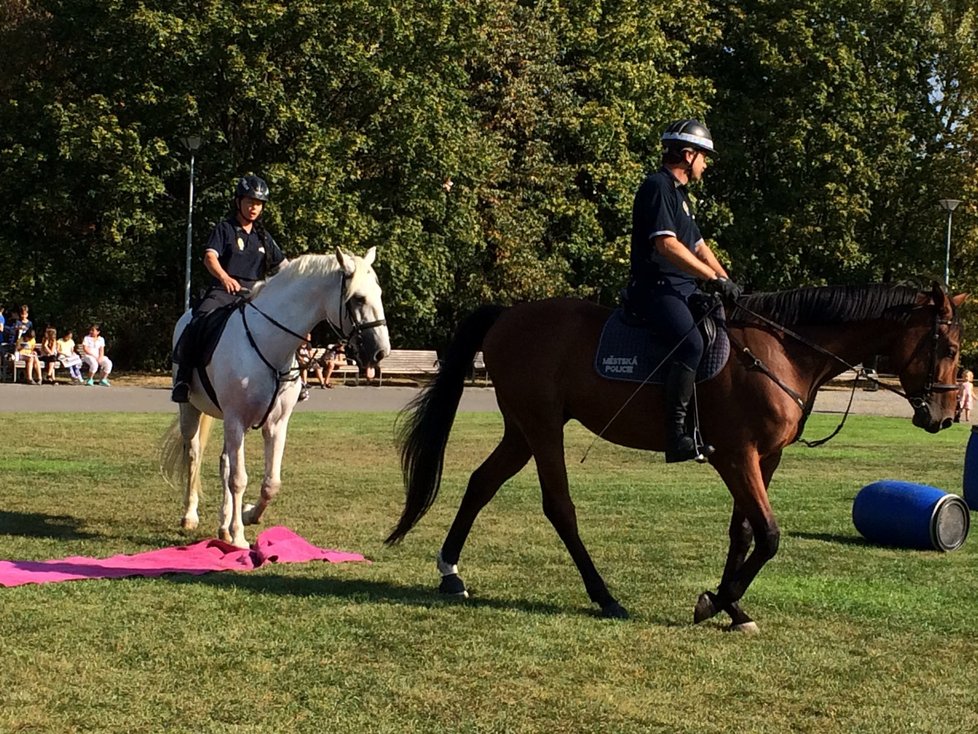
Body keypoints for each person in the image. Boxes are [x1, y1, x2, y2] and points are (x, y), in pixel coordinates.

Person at [626, 119, 741, 463]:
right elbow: (667, 245)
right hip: (654, 288)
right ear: (687, 155)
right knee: (689, 342)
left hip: (682, 287)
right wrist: (711, 278)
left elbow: (699, 246)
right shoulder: (657, 187)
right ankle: (675, 435)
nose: (706, 164)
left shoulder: (681, 197)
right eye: (704, 156)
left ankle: (704, 422)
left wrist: (727, 280)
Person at [171, 174, 287, 402]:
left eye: (259, 204)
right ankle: (183, 379)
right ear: (238, 202)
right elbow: (209, 258)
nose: (254, 208)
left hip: (255, 296)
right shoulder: (224, 229)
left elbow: (285, 266)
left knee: (285, 326)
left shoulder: (263, 237)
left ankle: (290, 380)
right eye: (250, 202)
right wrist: (224, 277)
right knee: (198, 319)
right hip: (224, 292)